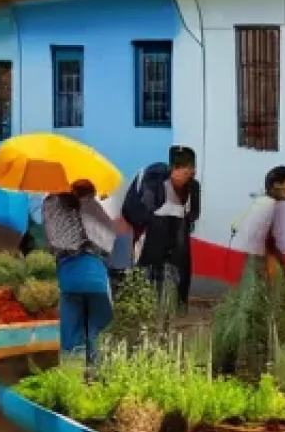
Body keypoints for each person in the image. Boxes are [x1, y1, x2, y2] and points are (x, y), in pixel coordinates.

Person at [42, 180, 117, 369]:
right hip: (96, 278)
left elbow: (51, 243)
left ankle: (72, 376)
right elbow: (109, 241)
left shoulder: (52, 206)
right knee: (97, 329)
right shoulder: (93, 209)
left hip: (69, 277)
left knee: (71, 331)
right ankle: (95, 375)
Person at [121, 145, 201, 311]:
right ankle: (143, 309)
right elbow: (141, 212)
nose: (189, 176)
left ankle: (177, 308)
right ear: (174, 170)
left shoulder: (193, 188)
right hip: (153, 236)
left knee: (179, 275)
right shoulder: (155, 183)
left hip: (178, 237)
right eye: (186, 172)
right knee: (148, 276)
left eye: (192, 172)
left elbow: (193, 213)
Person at [231, 166, 285, 281]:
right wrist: (283, 263)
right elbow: (268, 240)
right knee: (258, 285)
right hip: (261, 258)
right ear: (276, 185)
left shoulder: (266, 201)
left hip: (259, 256)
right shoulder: (267, 205)